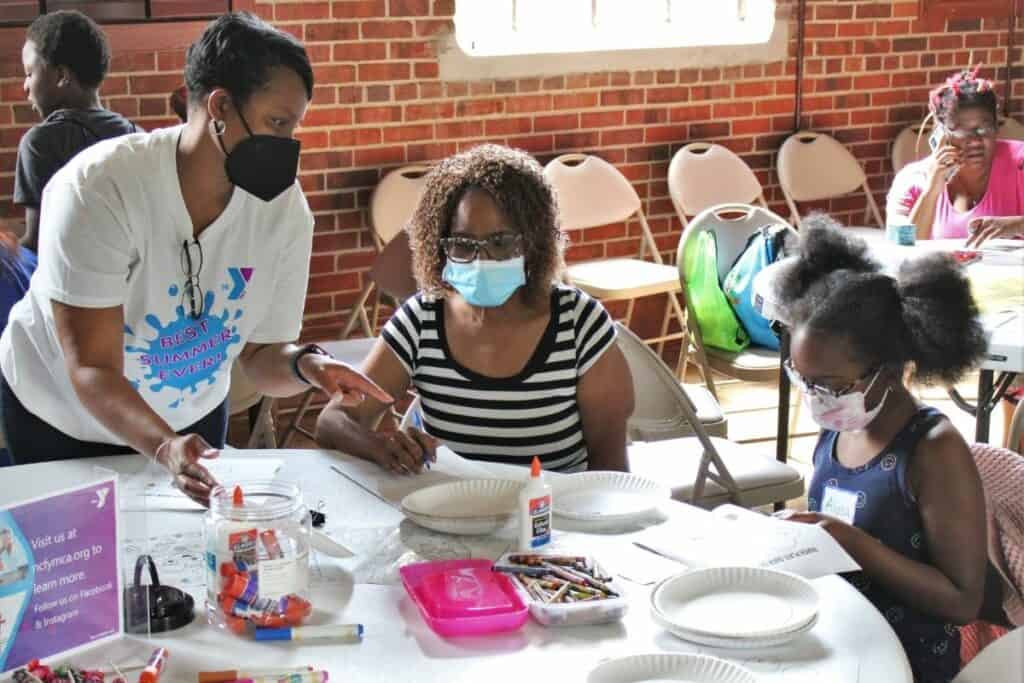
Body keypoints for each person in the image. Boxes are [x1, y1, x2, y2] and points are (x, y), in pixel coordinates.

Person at [0, 13, 390, 504]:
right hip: (61, 417)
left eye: (294, 127)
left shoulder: (283, 209)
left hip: (191, 418)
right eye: (277, 123)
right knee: (75, 568)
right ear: (221, 106)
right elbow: (93, 369)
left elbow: (259, 356)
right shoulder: (100, 189)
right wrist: (163, 446)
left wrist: (308, 367)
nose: (288, 145)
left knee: (192, 562)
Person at [316, 144, 634, 474]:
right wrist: (378, 445)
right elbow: (333, 420)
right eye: (464, 244)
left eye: (500, 242)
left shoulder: (580, 325)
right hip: (449, 516)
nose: (482, 260)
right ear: (440, 246)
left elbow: (610, 470)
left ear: (533, 242)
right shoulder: (423, 320)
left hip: (553, 517)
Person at [771, 215, 990, 682]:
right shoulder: (838, 423)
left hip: (903, 662)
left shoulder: (934, 450)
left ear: (889, 371)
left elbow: (962, 600)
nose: (816, 397)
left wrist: (849, 542)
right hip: (836, 640)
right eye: (803, 379)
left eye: (830, 384)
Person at [15, 10, 138, 254]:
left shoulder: (40, 143)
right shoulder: (136, 135)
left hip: (72, 283)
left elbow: (39, 244)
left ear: (61, 76)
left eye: (30, 73)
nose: (25, 86)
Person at [887, 67, 1024, 246]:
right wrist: (931, 191)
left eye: (984, 129)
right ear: (941, 133)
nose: (975, 141)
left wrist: (1016, 225)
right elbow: (901, 248)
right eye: (961, 131)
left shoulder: (1019, 162)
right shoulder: (913, 179)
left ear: (997, 128)